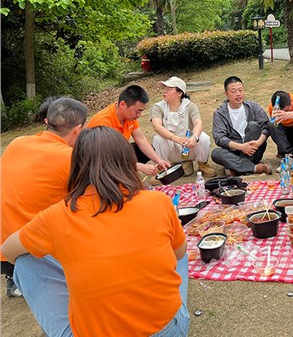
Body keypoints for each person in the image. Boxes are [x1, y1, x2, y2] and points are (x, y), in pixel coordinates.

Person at [1, 127, 190, 336]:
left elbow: (8, 251)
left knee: (25, 262)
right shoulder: (159, 202)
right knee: (178, 243)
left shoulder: (56, 216)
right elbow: (179, 254)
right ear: (127, 161)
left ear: (76, 166)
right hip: (169, 329)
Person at [1, 98, 87, 297]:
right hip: (32, 252)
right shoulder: (69, 157)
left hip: (5, 248)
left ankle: (15, 281)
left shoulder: (17, 143)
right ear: (78, 129)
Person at [87, 85, 170, 176]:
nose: (140, 115)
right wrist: (139, 167)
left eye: (141, 111)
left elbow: (140, 138)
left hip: (116, 152)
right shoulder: (102, 123)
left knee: (140, 150)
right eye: (137, 111)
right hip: (98, 161)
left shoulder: (129, 117)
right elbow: (106, 158)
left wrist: (158, 160)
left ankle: (127, 173)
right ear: (122, 104)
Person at [151, 76, 216, 177]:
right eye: (164, 89)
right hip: (171, 149)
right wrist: (175, 138)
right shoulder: (158, 107)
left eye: (169, 89)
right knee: (158, 139)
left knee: (203, 137)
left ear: (179, 93)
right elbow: (157, 126)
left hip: (189, 147)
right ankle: (162, 168)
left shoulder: (190, 106)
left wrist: (194, 138)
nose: (164, 91)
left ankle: (202, 164)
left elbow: (198, 123)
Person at [211, 76, 272, 176]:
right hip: (233, 152)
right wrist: (241, 147)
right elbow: (219, 138)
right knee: (216, 153)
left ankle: (236, 168)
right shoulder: (220, 113)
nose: (238, 94)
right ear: (226, 94)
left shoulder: (253, 106)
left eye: (240, 90)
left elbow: (266, 126)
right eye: (233, 91)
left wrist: (258, 143)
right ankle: (255, 168)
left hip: (254, 150)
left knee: (253, 126)